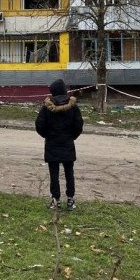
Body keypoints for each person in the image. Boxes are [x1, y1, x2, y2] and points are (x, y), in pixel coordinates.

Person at [35, 78, 83, 210]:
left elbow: (39, 125)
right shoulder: (73, 107)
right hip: (68, 143)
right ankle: (70, 201)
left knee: (54, 174)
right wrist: (71, 137)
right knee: (69, 173)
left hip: (52, 144)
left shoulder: (46, 107)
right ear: (64, 90)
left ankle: (55, 201)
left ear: (53, 91)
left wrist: (48, 136)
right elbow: (79, 125)